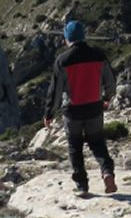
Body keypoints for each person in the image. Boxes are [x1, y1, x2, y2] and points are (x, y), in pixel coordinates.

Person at [46, 20, 118, 196]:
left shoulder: (62, 60)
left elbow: (55, 90)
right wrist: (107, 97)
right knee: (97, 142)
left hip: (73, 110)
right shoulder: (99, 55)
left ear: (66, 38)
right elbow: (110, 81)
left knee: (74, 147)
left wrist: (49, 113)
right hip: (94, 107)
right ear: (84, 36)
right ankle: (107, 172)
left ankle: (82, 186)